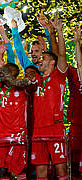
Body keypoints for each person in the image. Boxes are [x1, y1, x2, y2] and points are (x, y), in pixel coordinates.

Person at [30, 16, 69, 180]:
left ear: (52, 62)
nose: (39, 59)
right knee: (41, 173)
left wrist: (57, 31)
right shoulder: (37, 79)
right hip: (38, 131)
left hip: (55, 129)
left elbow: (60, 53)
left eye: (43, 58)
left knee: (61, 171)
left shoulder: (59, 75)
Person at [68, 26, 82, 179]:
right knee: (74, 167)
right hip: (76, 126)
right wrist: (77, 42)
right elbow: (79, 64)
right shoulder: (74, 74)